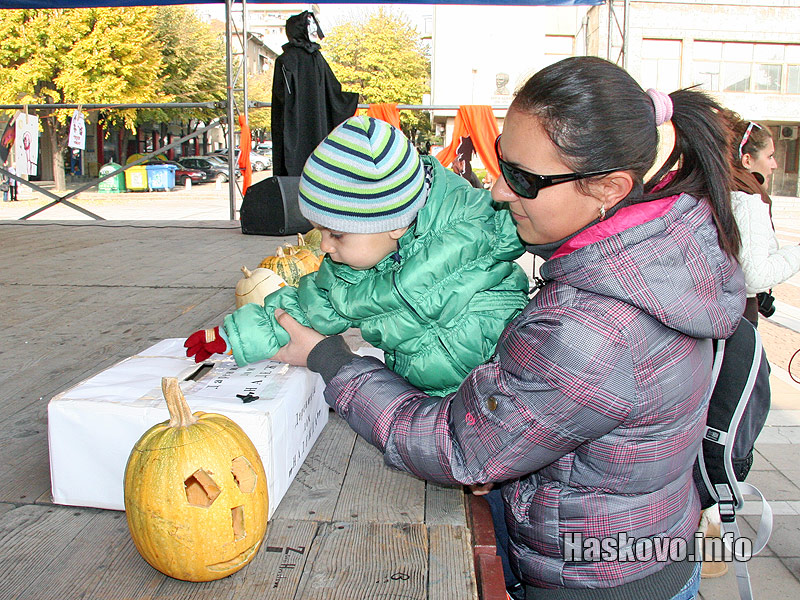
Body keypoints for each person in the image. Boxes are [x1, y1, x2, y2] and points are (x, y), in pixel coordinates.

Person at [270, 57, 746, 599]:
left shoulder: (594, 329)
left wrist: (331, 360)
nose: (497, 191)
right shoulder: (657, 249)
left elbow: (459, 447)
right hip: (645, 547)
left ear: (610, 188)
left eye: (523, 178)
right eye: (502, 162)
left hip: (597, 582)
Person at [185, 115, 529, 397]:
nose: (324, 247)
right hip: (430, 401)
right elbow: (301, 308)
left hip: (512, 388)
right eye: (319, 232)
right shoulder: (347, 275)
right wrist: (232, 336)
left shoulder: (479, 223)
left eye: (336, 234)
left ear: (394, 223)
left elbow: (548, 224)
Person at [724, 111, 799, 326]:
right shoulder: (746, 202)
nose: (774, 165)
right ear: (747, 160)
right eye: (770, 156)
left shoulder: (723, 191)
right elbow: (755, 276)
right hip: (739, 316)